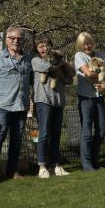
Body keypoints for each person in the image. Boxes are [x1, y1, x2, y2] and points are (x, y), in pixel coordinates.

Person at [0, 26, 32, 181]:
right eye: (12, 38)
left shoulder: (28, 59)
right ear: (6, 40)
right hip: (2, 107)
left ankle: (12, 171)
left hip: (21, 106)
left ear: (23, 41)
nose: (16, 41)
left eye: (19, 39)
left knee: (17, 141)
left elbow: (32, 83)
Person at [31, 36, 72, 178]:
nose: (44, 48)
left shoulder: (59, 61)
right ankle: (42, 166)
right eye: (41, 46)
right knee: (43, 133)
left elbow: (69, 78)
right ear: (37, 49)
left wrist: (63, 71)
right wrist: (61, 63)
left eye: (47, 45)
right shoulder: (35, 60)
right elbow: (48, 67)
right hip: (43, 100)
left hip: (58, 100)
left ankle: (56, 165)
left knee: (56, 134)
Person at [74, 32, 105, 172]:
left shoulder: (101, 55)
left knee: (101, 129)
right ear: (80, 45)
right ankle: (87, 163)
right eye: (84, 44)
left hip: (101, 96)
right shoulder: (79, 56)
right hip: (86, 97)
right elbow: (88, 74)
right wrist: (102, 75)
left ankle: (95, 159)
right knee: (86, 130)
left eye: (89, 43)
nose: (87, 46)